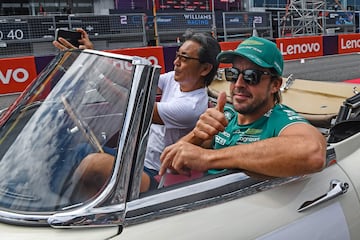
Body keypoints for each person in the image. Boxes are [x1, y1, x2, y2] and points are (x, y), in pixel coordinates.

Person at [53, 29, 221, 195]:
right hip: (140, 158)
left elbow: (133, 106)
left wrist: (88, 68)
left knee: (91, 163)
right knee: (80, 150)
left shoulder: (190, 107)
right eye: (177, 55)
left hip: (157, 173)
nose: (176, 62)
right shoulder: (176, 80)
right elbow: (131, 79)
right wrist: (93, 54)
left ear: (205, 69)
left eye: (184, 58)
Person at [159, 36, 326, 178]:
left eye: (251, 76)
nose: (238, 84)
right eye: (233, 74)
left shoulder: (279, 119)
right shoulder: (224, 116)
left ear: (275, 84)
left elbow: (313, 153)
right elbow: (172, 164)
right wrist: (196, 135)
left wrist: (209, 157)